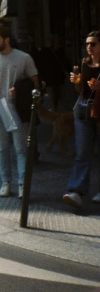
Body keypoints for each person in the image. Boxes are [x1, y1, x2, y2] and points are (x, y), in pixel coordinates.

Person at [0, 25, 39, 199]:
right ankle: (6, 182)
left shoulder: (24, 58)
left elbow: (35, 81)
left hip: (18, 109)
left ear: (7, 39)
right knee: (2, 148)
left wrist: (20, 89)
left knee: (21, 148)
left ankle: (22, 184)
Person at [63, 31, 100, 210]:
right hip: (84, 108)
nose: (89, 47)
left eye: (93, 44)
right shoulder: (84, 64)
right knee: (82, 152)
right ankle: (76, 192)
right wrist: (77, 82)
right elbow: (81, 90)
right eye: (87, 44)